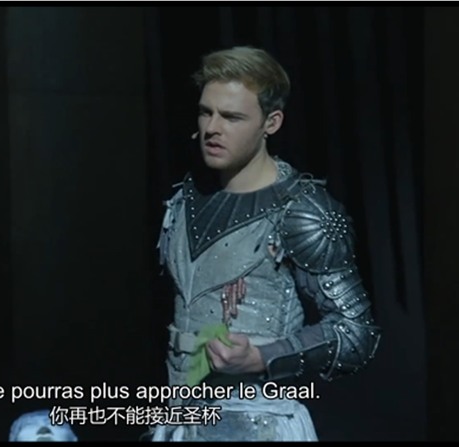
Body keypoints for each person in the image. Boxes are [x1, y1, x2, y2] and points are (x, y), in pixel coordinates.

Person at [151, 46, 382, 442]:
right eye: (206, 112)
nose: (212, 128)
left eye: (231, 117)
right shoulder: (186, 198)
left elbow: (357, 334)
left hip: (258, 424)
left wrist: (262, 357)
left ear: (271, 123)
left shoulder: (302, 210)